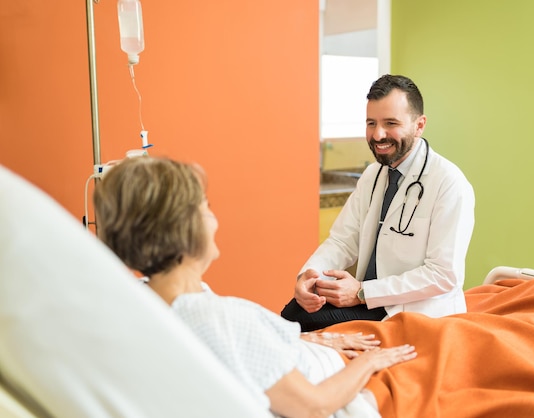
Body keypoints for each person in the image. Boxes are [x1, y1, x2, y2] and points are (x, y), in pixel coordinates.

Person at [93, 156, 417, 418]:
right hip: (349, 380)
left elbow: (231, 349)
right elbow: (313, 407)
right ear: (184, 229)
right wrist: (369, 364)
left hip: (314, 352)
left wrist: (299, 338)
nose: (214, 218)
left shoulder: (143, 300)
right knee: (445, 339)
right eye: (205, 206)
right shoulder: (224, 318)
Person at [281, 74, 475, 331]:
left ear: (419, 125)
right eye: (371, 123)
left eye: (390, 123)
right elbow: (343, 240)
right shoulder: (373, 175)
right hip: (371, 302)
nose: (378, 134)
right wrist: (310, 275)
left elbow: (443, 275)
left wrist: (362, 292)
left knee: (295, 324)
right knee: (294, 312)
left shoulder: (449, 183)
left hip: (417, 311)